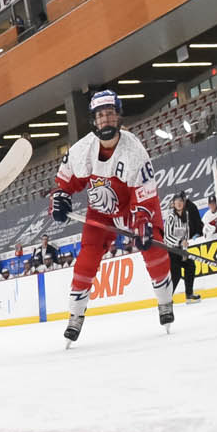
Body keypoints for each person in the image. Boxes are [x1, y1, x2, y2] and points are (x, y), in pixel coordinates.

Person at [48, 89, 171, 345]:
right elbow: (64, 184)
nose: (105, 119)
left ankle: (165, 302)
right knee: (86, 258)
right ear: (94, 120)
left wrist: (143, 223)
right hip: (100, 212)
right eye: (101, 115)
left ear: (119, 117)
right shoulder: (82, 150)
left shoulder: (134, 150)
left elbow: (144, 194)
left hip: (133, 209)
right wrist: (59, 199)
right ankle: (75, 316)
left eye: (110, 114)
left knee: (154, 249)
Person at [166, 192, 204, 304]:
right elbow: (167, 236)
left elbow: (186, 234)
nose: (179, 203)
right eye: (176, 201)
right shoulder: (170, 217)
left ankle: (189, 294)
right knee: (176, 274)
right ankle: (166, 299)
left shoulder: (186, 215)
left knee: (190, 266)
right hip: (171, 250)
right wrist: (179, 242)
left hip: (181, 250)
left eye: (181, 201)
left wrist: (184, 250)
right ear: (173, 204)